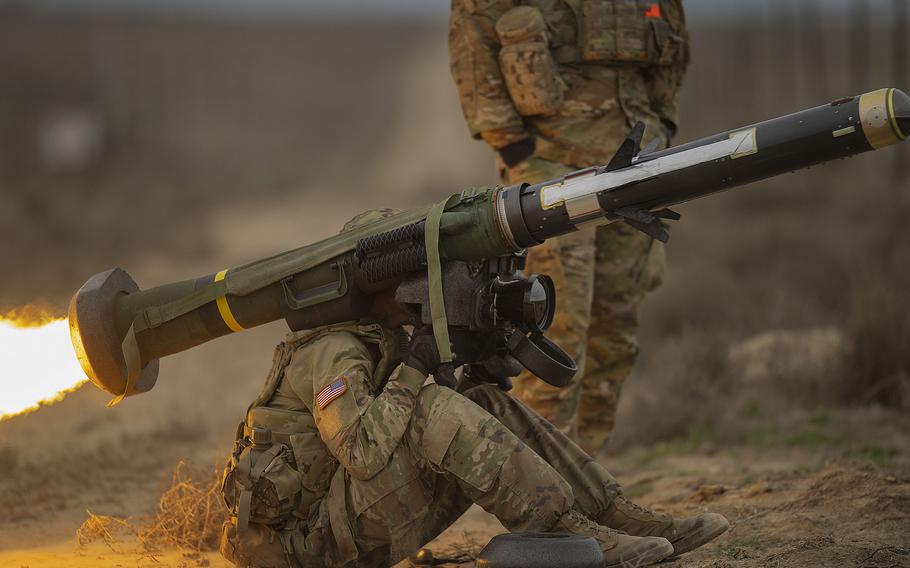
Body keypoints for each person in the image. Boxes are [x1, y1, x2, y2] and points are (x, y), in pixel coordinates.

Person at [218, 211, 727, 568]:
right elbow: (363, 453)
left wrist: (475, 370)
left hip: (347, 524)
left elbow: (418, 428)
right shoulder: (332, 352)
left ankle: (611, 512)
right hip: (310, 550)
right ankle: (564, 532)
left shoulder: (386, 337)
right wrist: (419, 364)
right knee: (435, 405)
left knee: (478, 400)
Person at [449, 0, 691, 454]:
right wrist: (513, 146)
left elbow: (672, 53)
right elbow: (473, 34)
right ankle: (544, 491)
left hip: (635, 167)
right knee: (551, 332)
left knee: (614, 335)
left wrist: (664, 127)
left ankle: (589, 477)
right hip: (551, 174)